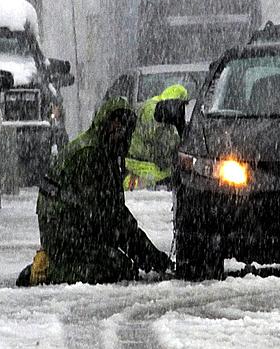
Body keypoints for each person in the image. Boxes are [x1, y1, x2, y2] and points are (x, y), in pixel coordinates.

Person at [17, 97, 172, 286]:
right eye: (117, 123)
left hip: (75, 222)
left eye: (126, 126)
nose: (121, 131)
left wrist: (149, 256)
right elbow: (107, 217)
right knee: (117, 269)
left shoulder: (107, 152)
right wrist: (149, 258)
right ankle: (50, 270)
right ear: (106, 123)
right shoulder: (90, 155)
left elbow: (113, 212)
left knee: (121, 263)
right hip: (63, 227)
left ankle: (63, 261)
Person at [124, 84, 189, 190]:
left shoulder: (161, 111)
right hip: (139, 163)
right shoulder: (153, 111)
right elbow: (160, 141)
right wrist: (177, 146)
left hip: (144, 160)